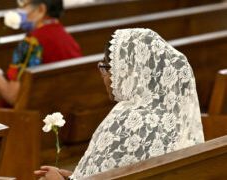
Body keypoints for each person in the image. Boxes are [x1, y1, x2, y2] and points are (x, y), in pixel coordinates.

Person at [34, 28, 205, 179]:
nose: (104, 75)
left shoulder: (128, 119)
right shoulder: (173, 118)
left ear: (129, 71)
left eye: (107, 68)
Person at [0, 0, 82, 106]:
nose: (19, 11)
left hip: (27, 117)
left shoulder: (32, 42)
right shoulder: (66, 37)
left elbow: (14, 97)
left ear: (41, 9)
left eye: (23, 6)